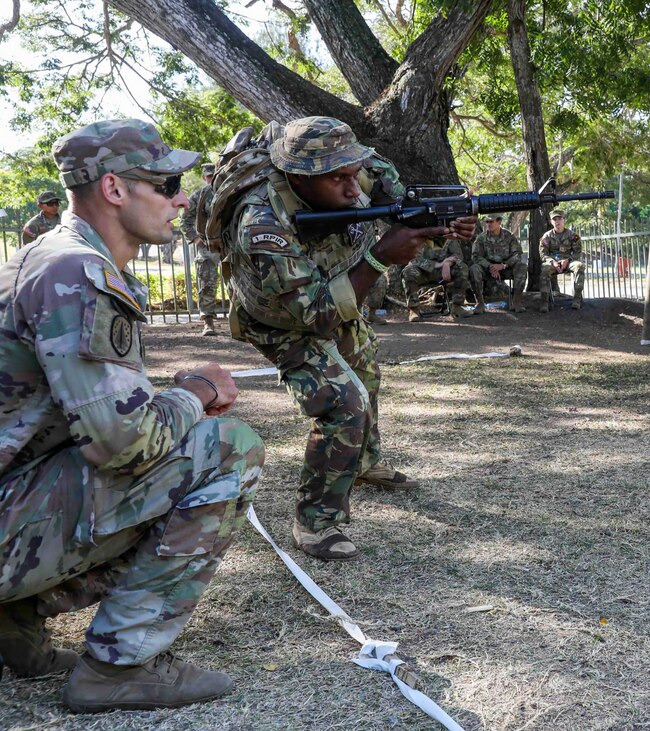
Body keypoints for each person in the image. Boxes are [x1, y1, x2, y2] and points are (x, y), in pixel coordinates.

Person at [0, 119, 264, 711]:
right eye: (167, 184)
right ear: (114, 189)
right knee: (227, 448)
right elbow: (123, 444)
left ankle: (12, 628)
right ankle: (119, 666)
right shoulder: (75, 272)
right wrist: (195, 393)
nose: (182, 199)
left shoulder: (47, 257)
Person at [220, 116, 475, 560]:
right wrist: (379, 258)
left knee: (365, 368)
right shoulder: (261, 221)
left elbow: (407, 212)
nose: (354, 188)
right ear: (299, 177)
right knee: (343, 401)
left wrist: (443, 225)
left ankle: (362, 462)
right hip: (282, 318)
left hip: (335, 287)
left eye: (353, 173)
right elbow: (315, 315)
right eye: (338, 179)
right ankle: (315, 521)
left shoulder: (363, 169)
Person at [180, 163, 222, 335]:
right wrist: (196, 239)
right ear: (204, 177)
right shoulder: (198, 196)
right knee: (207, 283)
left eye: (214, 176)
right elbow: (184, 221)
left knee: (238, 281)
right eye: (209, 176)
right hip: (207, 246)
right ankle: (208, 322)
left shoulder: (227, 191)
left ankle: (240, 322)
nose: (211, 179)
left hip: (229, 243)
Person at [402, 236, 474, 322]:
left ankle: (457, 306)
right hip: (423, 272)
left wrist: (448, 263)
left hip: (443, 272)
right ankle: (414, 310)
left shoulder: (448, 236)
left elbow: (458, 255)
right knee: (408, 271)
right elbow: (414, 259)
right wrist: (437, 264)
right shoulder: (419, 235)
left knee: (462, 267)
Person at [470, 214, 528, 313]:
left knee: (522, 267)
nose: (488, 224)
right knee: (474, 269)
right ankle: (480, 303)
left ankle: (516, 301)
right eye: (487, 222)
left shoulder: (509, 236)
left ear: (499, 222)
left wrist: (503, 265)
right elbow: (475, 256)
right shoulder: (481, 238)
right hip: (488, 269)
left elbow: (517, 254)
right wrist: (490, 266)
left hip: (505, 268)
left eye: (491, 221)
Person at [538, 209, 585, 312]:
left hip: (568, 262)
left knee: (579, 266)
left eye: (559, 219)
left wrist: (568, 260)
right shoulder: (546, 237)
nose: (557, 222)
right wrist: (553, 262)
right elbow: (543, 254)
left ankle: (577, 299)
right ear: (551, 222)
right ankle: (544, 302)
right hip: (553, 263)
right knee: (545, 269)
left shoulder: (573, 236)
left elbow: (577, 253)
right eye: (555, 219)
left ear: (564, 220)